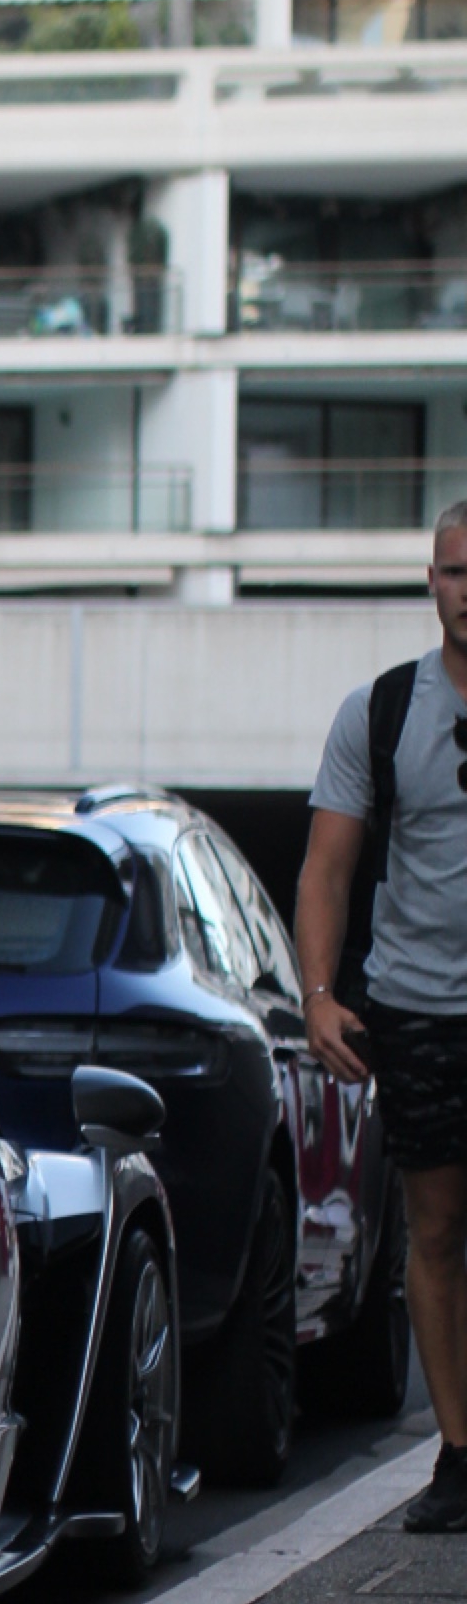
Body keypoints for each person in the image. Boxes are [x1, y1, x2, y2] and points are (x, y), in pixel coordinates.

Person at [296, 500, 467, 1533]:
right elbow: (326, 867)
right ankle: (459, 1452)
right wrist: (319, 996)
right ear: (431, 582)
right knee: (439, 1227)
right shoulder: (381, 711)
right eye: (454, 571)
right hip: (419, 1008)